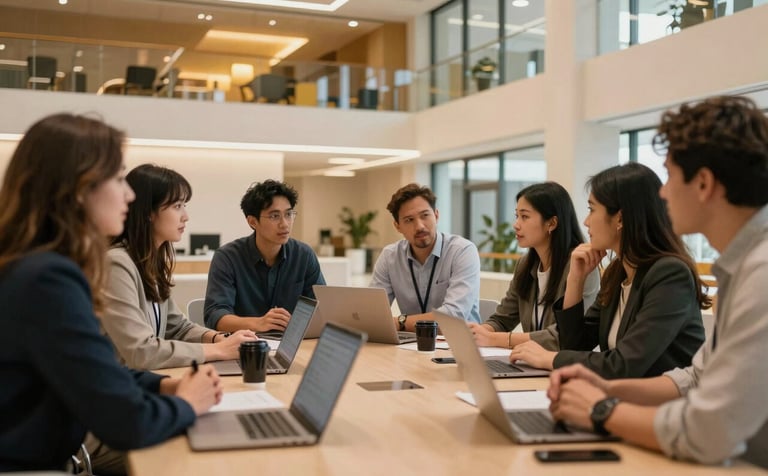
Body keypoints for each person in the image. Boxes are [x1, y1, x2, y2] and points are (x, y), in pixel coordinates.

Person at [548, 96, 768, 468]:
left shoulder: (761, 273)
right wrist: (609, 388)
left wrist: (601, 409)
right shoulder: (742, 265)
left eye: (668, 175)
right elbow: (696, 377)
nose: (662, 193)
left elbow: (708, 431)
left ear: (703, 184)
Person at [0, 114, 221, 473]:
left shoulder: (36, 267)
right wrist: (189, 403)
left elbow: (96, 368)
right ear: (78, 188)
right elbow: (126, 422)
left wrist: (167, 386)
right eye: (119, 178)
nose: (130, 195)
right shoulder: (47, 280)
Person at [510, 162, 707, 378]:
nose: (586, 222)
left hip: (661, 407)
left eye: (592, 209)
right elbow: (575, 344)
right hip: (622, 396)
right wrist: (575, 280)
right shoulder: (617, 272)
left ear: (620, 218)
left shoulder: (669, 274)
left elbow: (625, 363)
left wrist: (550, 359)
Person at [101, 164, 256, 370]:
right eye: (177, 206)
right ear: (149, 212)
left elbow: (177, 327)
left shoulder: (150, 263)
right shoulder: (117, 263)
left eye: (185, 205)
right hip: (119, 388)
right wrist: (219, 350)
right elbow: (141, 351)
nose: (185, 216)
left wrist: (218, 338)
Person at [468, 182, 600, 350]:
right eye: (517, 216)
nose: (516, 224)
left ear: (551, 223)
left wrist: (495, 339)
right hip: (532, 364)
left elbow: (560, 337)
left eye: (525, 216)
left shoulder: (581, 266)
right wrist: (479, 332)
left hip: (565, 366)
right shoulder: (525, 265)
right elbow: (503, 319)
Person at [204, 179, 325, 333]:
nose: (285, 224)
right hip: (245, 347)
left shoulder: (304, 255)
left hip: (291, 345)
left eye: (288, 214)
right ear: (253, 222)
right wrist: (258, 323)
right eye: (275, 216)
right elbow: (215, 316)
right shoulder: (228, 257)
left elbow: (321, 310)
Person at [371, 183, 481, 331]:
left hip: (457, 345)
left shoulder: (462, 251)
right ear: (397, 226)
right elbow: (374, 314)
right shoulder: (390, 256)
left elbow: (452, 318)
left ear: (436, 216)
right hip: (411, 345)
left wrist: (400, 322)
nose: (420, 226)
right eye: (409, 220)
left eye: (425, 216)